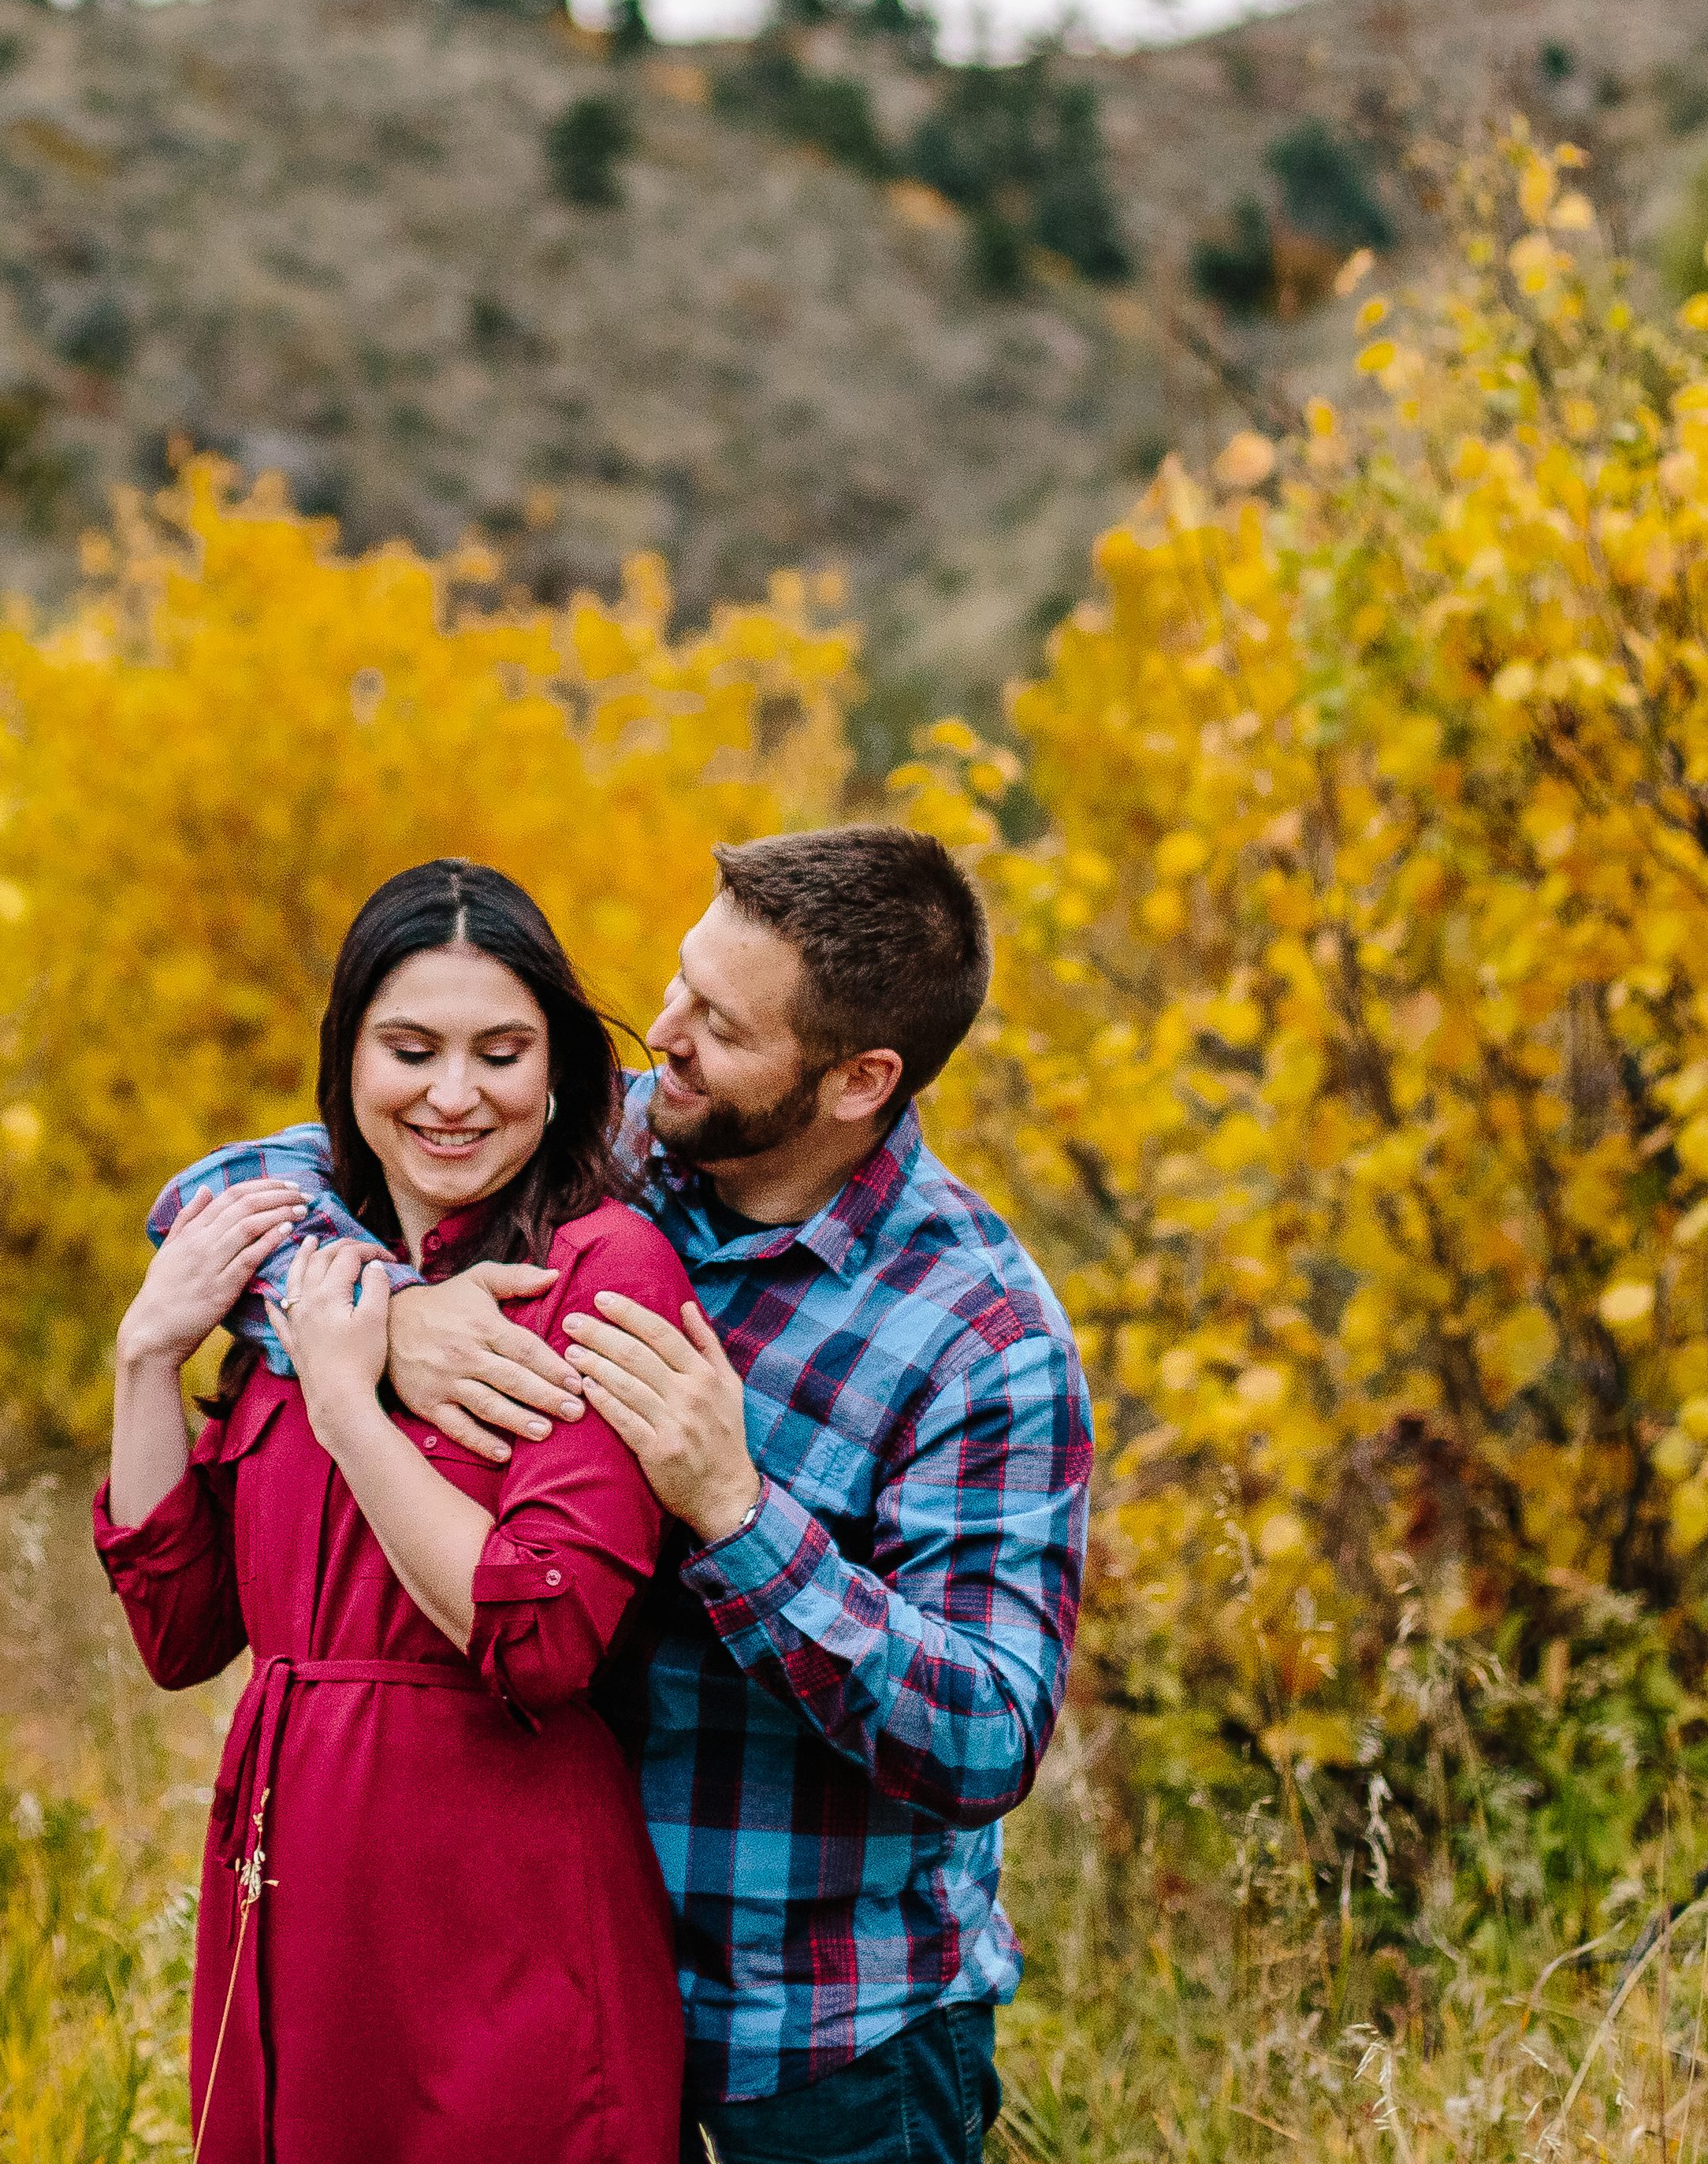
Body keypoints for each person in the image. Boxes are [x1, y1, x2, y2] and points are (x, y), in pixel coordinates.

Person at [149, 824, 1090, 2164]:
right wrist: (391, 1318)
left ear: (857, 1079)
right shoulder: (618, 1140)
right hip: (529, 1964)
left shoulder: (979, 1338)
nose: (666, 1037)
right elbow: (235, 1184)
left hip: (815, 2036)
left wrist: (739, 1517)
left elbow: (987, 1735)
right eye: (681, 983)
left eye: (721, 1023)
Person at [95, 859, 695, 2164]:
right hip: (293, 1886)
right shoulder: (309, 1279)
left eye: (501, 1053)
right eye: (411, 1050)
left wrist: (348, 1408)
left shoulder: (599, 1271)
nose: (453, 1094)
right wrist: (149, 1355)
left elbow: (545, 1640)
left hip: (499, 1904)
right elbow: (181, 1631)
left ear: (559, 1070)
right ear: (349, 1060)